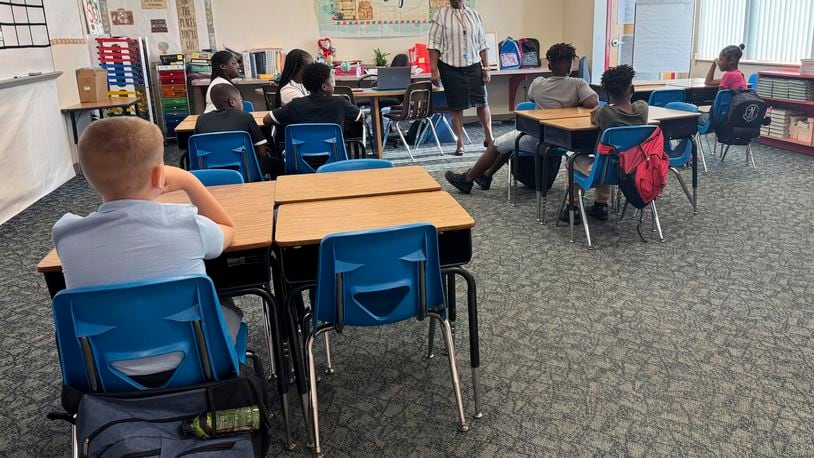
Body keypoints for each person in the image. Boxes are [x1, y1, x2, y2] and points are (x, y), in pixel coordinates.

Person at [52, 117, 242, 377]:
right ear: (159, 175)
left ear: (87, 176)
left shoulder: (66, 235)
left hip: (103, 373)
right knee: (226, 304)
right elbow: (227, 228)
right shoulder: (187, 224)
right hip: (199, 360)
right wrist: (189, 181)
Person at [445, 43, 598, 194]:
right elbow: (592, 101)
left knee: (494, 145)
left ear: (549, 65)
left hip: (540, 139)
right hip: (566, 141)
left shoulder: (538, 83)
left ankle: (467, 180)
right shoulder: (578, 84)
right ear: (571, 65)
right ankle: (486, 176)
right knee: (508, 141)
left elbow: (531, 98)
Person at [562, 64, 649, 222]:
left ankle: (572, 208)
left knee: (573, 161)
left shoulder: (605, 113)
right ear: (632, 89)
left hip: (605, 171)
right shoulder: (643, 109)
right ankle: (601, 205)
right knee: (607, 156)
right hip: (634, 169)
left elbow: (595, 117)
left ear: (607, 93)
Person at [428, 0, 492, 155]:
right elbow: (433, 44)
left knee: (482, 102)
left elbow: (482, 44)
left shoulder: (475, 15)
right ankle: (460, 144)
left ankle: (489, 138)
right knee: (456, 107)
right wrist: (433, 70)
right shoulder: (440, 15)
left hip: (473, 65)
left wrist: (486, 67)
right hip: (450, 67)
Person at [195, 84, 282, 178]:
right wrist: (262, 167)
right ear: (232, 101)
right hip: (245, 170)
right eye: (241, 100)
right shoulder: (245, 117)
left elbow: (196, 148)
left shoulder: (201, 120)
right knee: (278, 164)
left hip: (209, 171)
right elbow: (261, 149)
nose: (242, 103)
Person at [263, 62, 362, 131]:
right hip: (334, 156)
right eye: (331, 81)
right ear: (324, 87)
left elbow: (266, 119)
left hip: (302, 157)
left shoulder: (296, 104)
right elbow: (360, 116)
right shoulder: (340, 102)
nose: (333, 85)